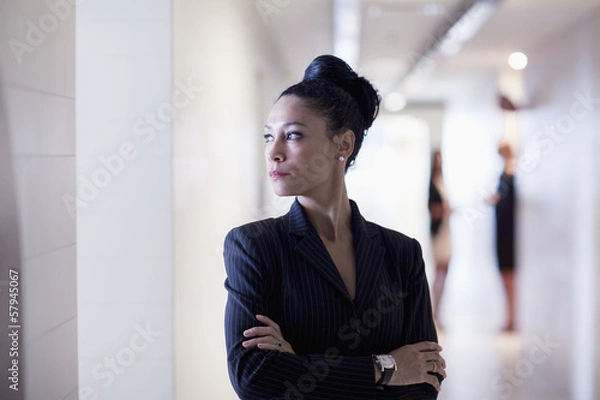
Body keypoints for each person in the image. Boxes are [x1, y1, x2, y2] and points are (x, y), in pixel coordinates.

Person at [223, 55, 446, 399]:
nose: (274, 153)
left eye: (293, 135)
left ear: (343, 144)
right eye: (269, 137)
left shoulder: (402, 253)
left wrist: (297, 364)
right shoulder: (255, 246)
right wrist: (385, 368)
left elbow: (424, 379)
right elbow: (254, 377)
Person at [487, 142, 517, 331]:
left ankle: (512, 317)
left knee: (508, 275)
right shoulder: (506, 175)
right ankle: (510, 315)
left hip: (507, 233)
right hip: (503, 231)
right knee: (505, 275)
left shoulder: (511, 176)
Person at [428, 150, 452, 327]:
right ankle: (434, 311)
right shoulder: (431, 185)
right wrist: (445, 211)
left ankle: (439, 310)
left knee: (445, 271)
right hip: (438, 233)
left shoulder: (444, 182)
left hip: (446, 231)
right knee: (439, 272)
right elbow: (432, 210)